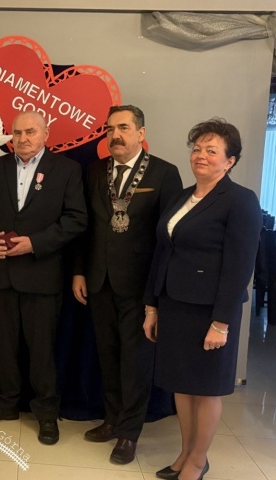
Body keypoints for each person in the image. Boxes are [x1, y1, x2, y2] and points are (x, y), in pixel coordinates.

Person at [143, 119, 262, 480]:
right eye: (197, 149)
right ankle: (185, 453)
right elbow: (163, 252)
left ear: (230, 161)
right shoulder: (182, 196)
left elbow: (240, 266)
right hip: (175, 304)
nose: (201, 156)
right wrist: (152, 305)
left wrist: (221, 323)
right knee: (182, 385)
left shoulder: (240, 200)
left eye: (212, 151)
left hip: (211, 311)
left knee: (207, 389)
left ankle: (198, 460)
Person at [72, 105, 182, 464]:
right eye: (110, 129)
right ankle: (112, 420)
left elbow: (169, 238)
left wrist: (158, 291)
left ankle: (129, 433)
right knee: (108, 355)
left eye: (123, 128)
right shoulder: (94, 171)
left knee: (136, 362)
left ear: (140, 133)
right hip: (99, 280)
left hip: (139, 285)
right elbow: (85, 228)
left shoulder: (164, 173)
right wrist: (79, 271)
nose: (115, 135)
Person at [0, 110, 87, 445]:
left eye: (31, 132)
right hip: (1, 274)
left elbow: (77, 219)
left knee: (42, 351)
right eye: (18, 133)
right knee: (3, 347)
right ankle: (4, 404)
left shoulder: (67, 170)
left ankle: (46, 413)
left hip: (42, 274)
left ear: (46, 133)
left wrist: (35, 243)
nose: (23, 138)